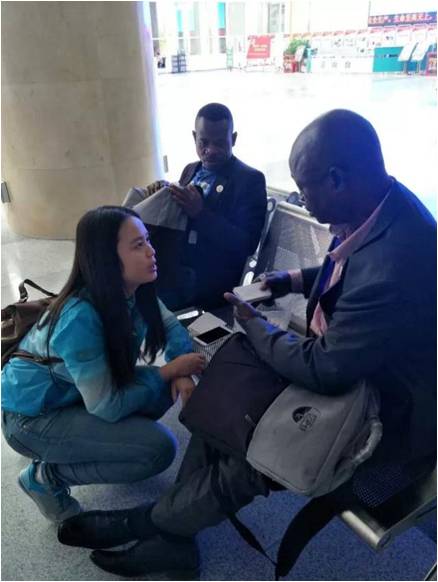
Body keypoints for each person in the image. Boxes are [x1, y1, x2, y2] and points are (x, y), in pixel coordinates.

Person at [57, 110, 436, 579]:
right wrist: (291, 280)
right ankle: (175, 535)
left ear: (337, 179)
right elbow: (349, 272)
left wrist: (255, 327)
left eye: (304, 187)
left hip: (387, 416)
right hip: (350, 371)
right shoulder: (381, 208)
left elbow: (325, 368)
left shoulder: (400, 257)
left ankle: (148, 523)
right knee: (227, 397)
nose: (301, 197)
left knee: (259, 450)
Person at [1, 206, 205, 523]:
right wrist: (171, 370)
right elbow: (108, 405)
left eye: (148, 240)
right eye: (138, 245)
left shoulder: (133, 290)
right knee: (159, 448)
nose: (151, 251)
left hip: (75, 396)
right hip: (30, 419)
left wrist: (182, 373)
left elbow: (170, 327)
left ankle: (107, 444)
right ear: (106, 258)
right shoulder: (79, 317)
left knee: (162, 389)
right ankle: (45, 477)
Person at [148, 102, 267, 311]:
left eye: (220, 143)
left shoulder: (249, 179)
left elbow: (246, 244)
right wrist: (162, 195)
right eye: (203, 142)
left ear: (233, 139)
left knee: (147, 299)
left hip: (210, 282)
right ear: (194, 137)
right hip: (175, 269)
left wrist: (200, 214)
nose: (210, 150)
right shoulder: (190, 169)